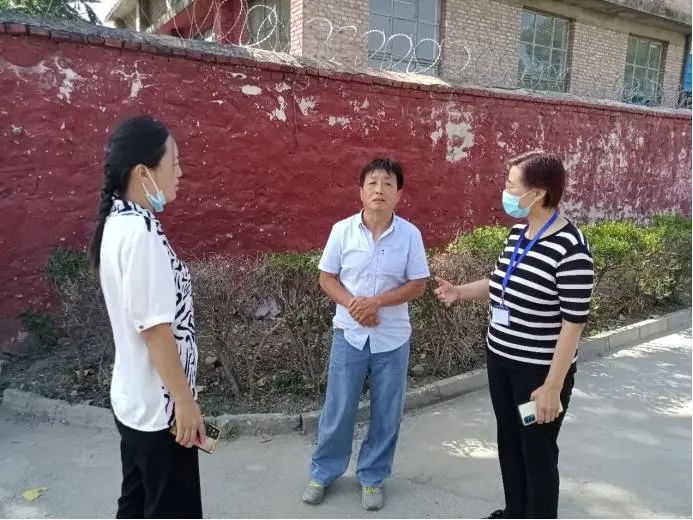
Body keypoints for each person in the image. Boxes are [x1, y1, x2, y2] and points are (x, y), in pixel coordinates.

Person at [435, 151, 594, 519]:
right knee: (509, 439)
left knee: (536, 450)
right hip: (501, 362)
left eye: (511, 186)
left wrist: (552, 386)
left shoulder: (571, 249)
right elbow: (499, 282)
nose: (505, 192)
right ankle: (515, 511)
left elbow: (573, 324)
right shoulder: (518, 234)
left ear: (537, 194)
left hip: (535, 375)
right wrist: (459, 292)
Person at [89, 115, 205, 518]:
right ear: (143, 172)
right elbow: (156, 331)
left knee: (136, 504)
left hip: (133, 400)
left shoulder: (117, 223)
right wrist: (185, 404)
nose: (180, 172)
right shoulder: (141, 234)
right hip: (159, 412)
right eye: (174, 162)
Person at [302, 158, 430, 511]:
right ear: (361, 191)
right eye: (372, 183)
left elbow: (418, 284)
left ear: (399, 194)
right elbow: (327, 278)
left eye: (388, 183)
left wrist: (377, 303)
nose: (379, 190)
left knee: (387, 412)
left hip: (393, 338)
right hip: (350, 334)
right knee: (339, 408)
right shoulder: (342, 231)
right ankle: (323, 472)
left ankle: (372, 476)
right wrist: (355, 305)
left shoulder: (410, 235)